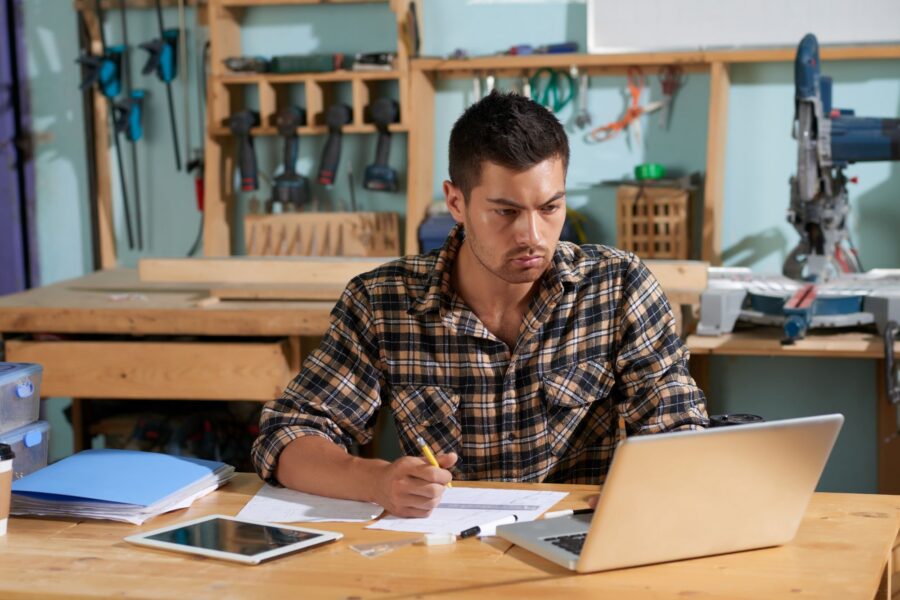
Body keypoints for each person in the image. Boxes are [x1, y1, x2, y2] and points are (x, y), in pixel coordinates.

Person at [252, 91, 708, 517]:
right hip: (449, 551)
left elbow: (678, 430)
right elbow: (286, 435)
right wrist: (378, 481)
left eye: (550, 208)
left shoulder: (618, 286)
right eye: (506, 212)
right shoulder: (382, 302)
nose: (532, 236)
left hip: (579, 544)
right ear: (456, 201)